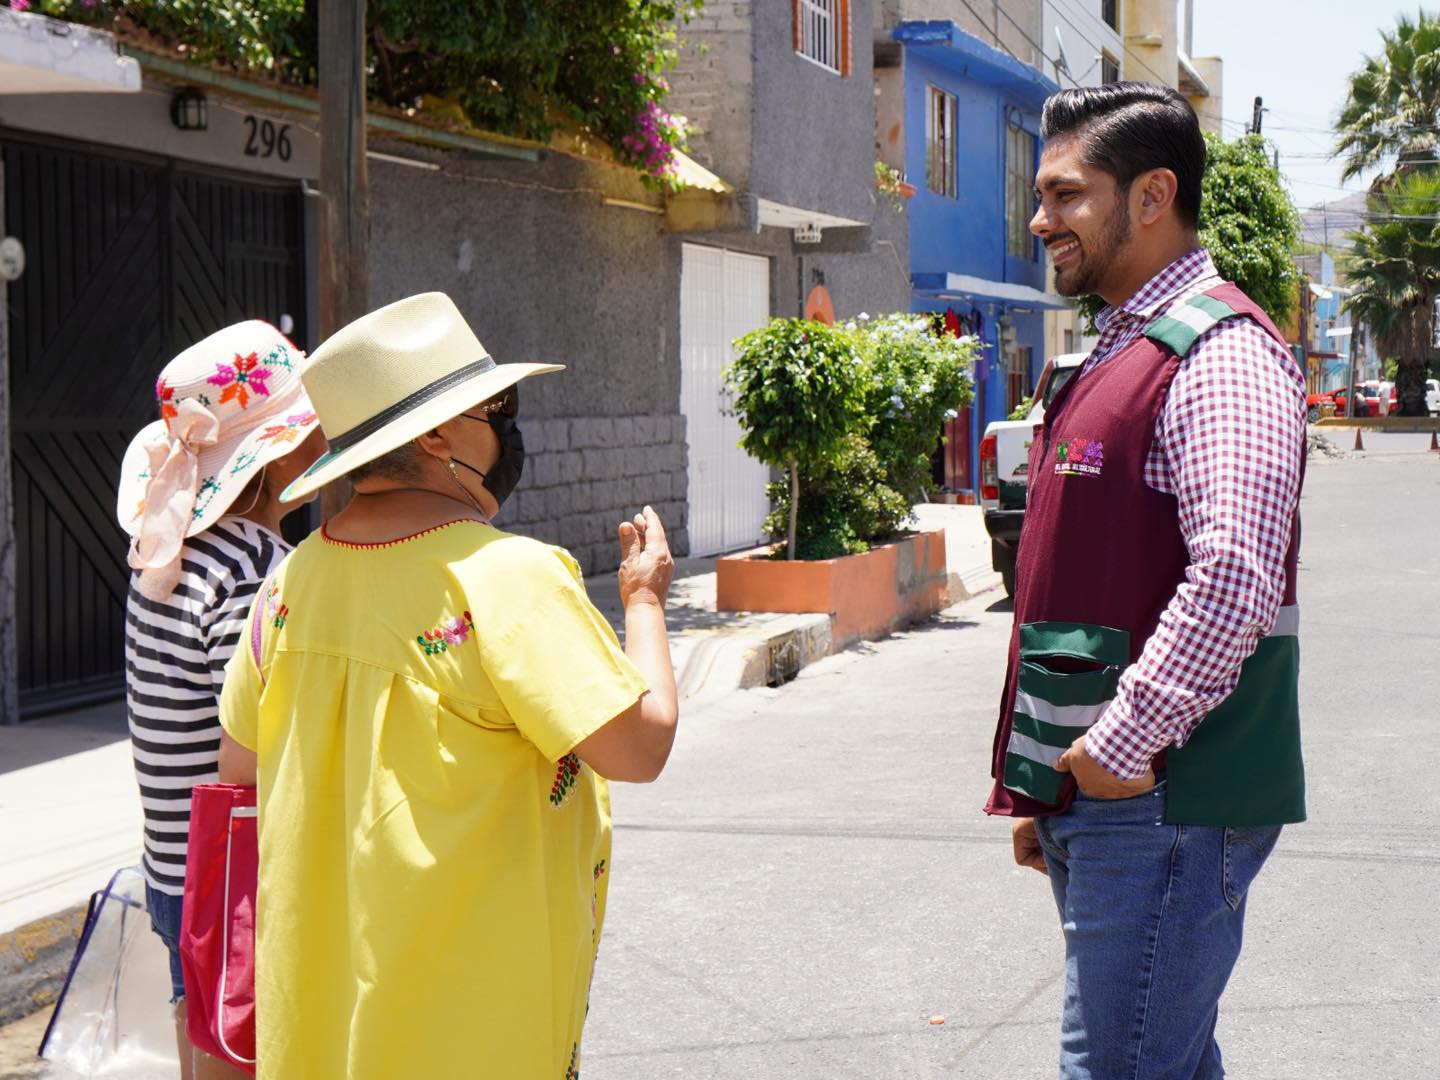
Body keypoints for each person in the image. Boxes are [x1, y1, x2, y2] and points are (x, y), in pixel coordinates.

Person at [216, 292, 679, 1079]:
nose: (511, 428)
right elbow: (640, 743)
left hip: (321, 1031)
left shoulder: (288, 585)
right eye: (497, 407)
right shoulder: (507, 577)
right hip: (469, 1030)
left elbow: (239, 771)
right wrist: (643, 602)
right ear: (436, 435)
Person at [985, 83, 1307, 1079]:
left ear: (1153, 194)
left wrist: (1117, 751)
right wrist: (1049, 787)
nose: (1041, 220)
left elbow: (1233, 582)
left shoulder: (1223, 354)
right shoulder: (1121, 347)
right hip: (1104, 792)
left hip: (1167, 791)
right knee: (1158, 1062)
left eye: (1065, 194)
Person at [116, 321, 325, 1079]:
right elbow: (265, 732)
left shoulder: (164, 553)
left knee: (202, 1045)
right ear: (271, 464)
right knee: (251, 1055)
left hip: (175, 866)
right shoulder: (260, 568)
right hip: (244, 876)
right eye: (307, 430)